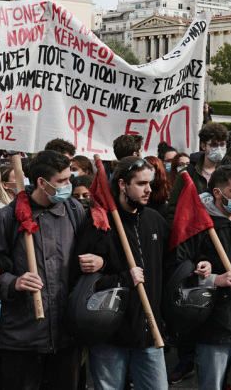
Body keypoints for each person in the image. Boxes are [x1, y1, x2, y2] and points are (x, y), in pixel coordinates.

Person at [0, 150, 84, 390]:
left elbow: (88, 255)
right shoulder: (7, 218)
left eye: (70, 179)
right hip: (22, 337)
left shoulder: (74, 211)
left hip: (66, 333)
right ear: (41, 183)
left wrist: (96, 260)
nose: (68, 185)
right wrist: (13, 283)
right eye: (62, 181)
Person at [74, 157, 170, 390]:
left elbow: (169, 267)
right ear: (122, 184)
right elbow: (82, 284)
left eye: (150, 182)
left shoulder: (155, 220)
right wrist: (122, 278)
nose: (148, 189)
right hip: (109, 335)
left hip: (149, 333)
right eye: (141, 183)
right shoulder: (99, 225)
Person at [170, 164, 231, 389]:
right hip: (214, 327)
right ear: (217, 192)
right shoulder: (198, 225)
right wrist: (212, 278)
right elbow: (178, 268)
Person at [167, 123, 229, 225]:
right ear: (203, 146)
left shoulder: (229, 173)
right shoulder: (188, 174)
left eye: (222, 144)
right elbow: (173, 209)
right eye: (214, 145)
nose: (219, 149)